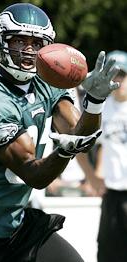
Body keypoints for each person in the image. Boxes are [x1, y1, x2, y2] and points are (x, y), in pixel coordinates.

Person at [0, 3, 120, 262]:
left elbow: (81, 137)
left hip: (15, 222)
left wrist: (95, 102)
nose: (28, 49)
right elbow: (35, 174)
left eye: (36, 42)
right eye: (19, 40)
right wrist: (65, 151)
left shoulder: (48, 83)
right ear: (0, 42)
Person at [95, 50, 127, 262]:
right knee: (107, 253)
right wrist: (93, 176)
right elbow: (99, 144)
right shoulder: (101, 107)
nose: (118, 80)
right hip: (111, 194)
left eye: (122, 75)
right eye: (113, 74)